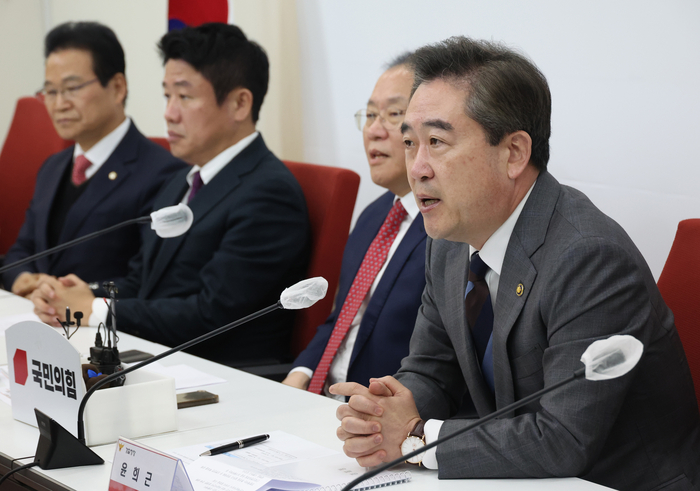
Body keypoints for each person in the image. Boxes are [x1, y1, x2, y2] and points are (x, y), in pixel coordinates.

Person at [331, 37, 700, 490]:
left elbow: (562, 437)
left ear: (514, 153)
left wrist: (415, 437)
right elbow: (431, 369)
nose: (417, 168)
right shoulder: (449, 239)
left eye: (437, 142)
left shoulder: (589, 257)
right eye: (410, 142)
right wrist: (384, 413)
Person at [30, 23, 310, 367]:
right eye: (167, 96)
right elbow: (142, 281)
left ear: (239, 103)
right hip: (161, 358)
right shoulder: (181, 180)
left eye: (185, 96)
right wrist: (83, 293)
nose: (169, 113)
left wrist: (97, 309)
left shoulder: (269, 193)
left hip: (228, 376)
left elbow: (211, 314)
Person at [2, 21, 185, 296]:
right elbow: (22, 249)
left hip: (105, 332)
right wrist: (22, 279)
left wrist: (73, 295)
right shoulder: (52, 167)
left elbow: (146, 281)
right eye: (50, 91)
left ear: (117, 87)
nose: (59, 103)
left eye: (72, 88)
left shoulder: (165, 174)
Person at [282, 54, 427, 397]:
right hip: (318, 399)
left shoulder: (449, 231)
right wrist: (302, 371)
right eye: (371, 115)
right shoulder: (374, 215)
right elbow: (343, 318)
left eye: (394, 115)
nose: (374, 131)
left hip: (376, 415)